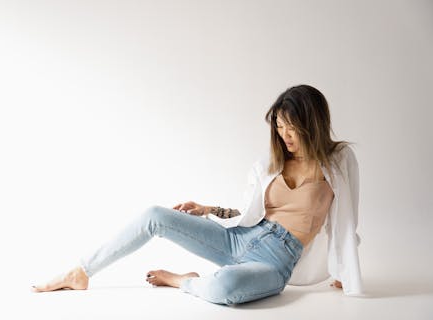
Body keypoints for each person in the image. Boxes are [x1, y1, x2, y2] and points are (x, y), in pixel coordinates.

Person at [32, 84, 363, 304]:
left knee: (225, 288)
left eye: (291, 126)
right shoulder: (268, 164)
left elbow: (346, 223)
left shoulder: (339, 161)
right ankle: (81, 272)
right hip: (240, 239)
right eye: (279, 125)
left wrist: (344, 273)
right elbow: (252, 212)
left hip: (276, 260)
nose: (284, 135)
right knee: (154, 216)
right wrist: (208, 209)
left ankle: (184, 281)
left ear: (312, 123)